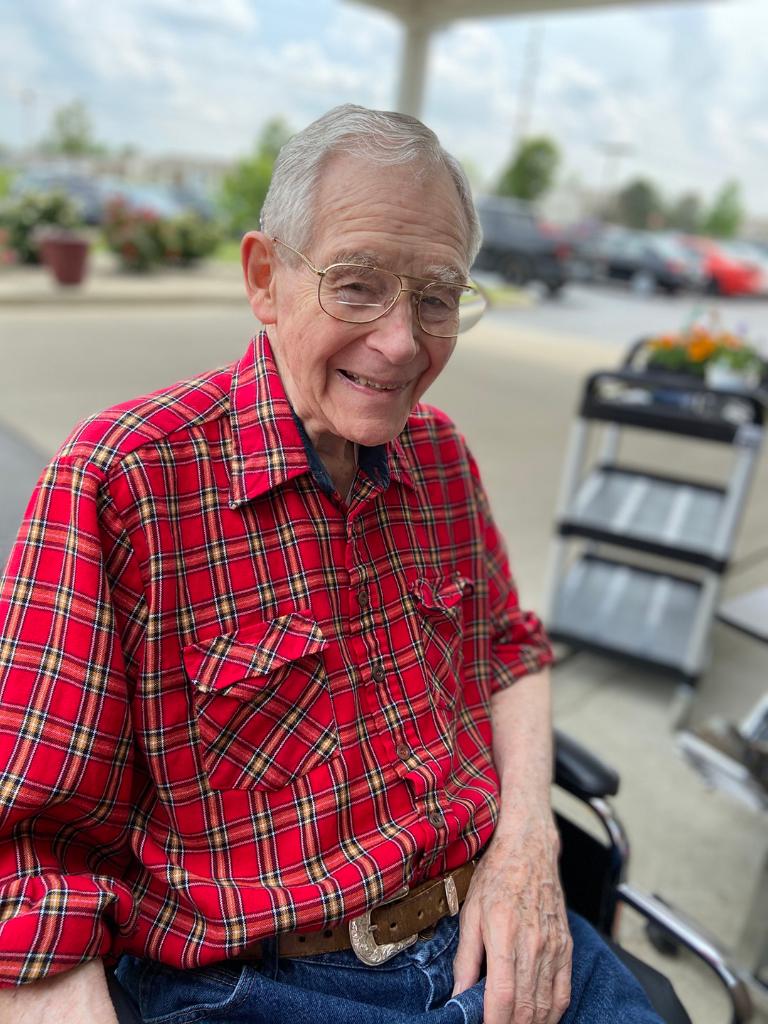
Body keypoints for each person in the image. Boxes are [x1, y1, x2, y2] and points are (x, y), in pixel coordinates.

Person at [0, 105, 663, 1024]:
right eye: (357, 286)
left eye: (437, 296)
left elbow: (507, 652)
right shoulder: (122, 484)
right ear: (265, 279)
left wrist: (527, 844)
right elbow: (32, 857)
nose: (400, 342)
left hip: (492, 930)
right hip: (264, 986)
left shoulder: (440, 456)